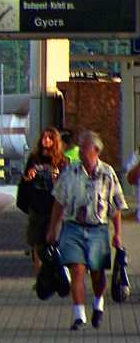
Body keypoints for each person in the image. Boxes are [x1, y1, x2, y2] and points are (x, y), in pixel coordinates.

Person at [46, 130, 128, 330]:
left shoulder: (108, 173)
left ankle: (98, 305)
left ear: (96, 150)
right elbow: (59, 202)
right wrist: (52, 229)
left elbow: (116, 206)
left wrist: (117, 234)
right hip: (73, 228)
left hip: (98, 229)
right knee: (77, 270)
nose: (80, 150)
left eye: (84, 146)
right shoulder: (70, 172)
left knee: (97, 274)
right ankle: (79, 315)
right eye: (80, 146)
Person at [19, 127, 68, 274]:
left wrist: (57, 178)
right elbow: (25, 181)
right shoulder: (34, 159)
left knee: (53, 241)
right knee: (37, 243)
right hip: (37, 205)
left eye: (50, 138)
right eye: (44, 137)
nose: (46, 140)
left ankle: (54, 273)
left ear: (55, 142)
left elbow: (66, 185)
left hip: (54, 207)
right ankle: (40, 276)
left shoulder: (63, 161)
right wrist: (28, 177)